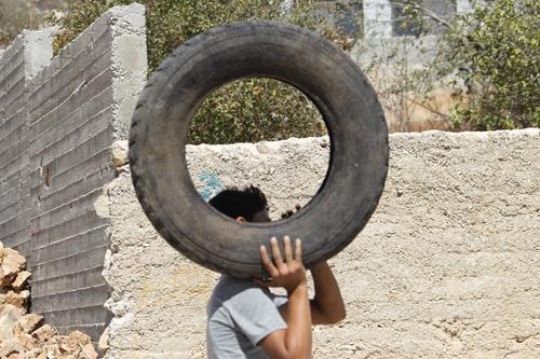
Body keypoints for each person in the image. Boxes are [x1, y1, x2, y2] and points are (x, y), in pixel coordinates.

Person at [207, 185, 346, 359]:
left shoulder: (245, 291)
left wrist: (310, 250)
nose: (274, 235)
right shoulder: (242, 293)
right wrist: (296, 288)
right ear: (242, 227)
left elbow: (331, 313)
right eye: (267, 225)